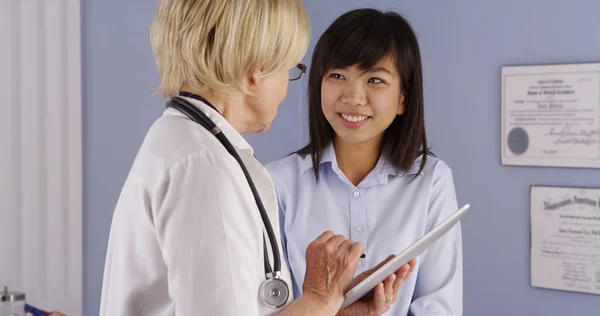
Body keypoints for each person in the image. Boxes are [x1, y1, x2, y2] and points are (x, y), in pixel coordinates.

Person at [100, 1, 412, 315]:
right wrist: (320, 298)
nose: (286, 88)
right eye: (289, 70)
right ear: (255, 73)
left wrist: (331, 309)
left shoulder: (185, 146)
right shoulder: (205, 169)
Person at [266, 8, 463, 315]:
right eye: (337, 76)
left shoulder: (431, 180)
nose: (353, 96)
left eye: (374, 79)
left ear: (403, 99)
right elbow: (264, 303)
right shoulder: (277, 182)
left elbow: (440, 306)